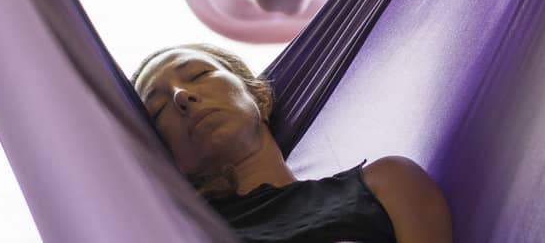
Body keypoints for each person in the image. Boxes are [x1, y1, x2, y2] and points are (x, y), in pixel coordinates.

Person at [133, 43, 451, 243]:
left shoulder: (384, 184)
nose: (181, 96)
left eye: (200, 74)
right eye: (159, 109)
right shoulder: (169, 233)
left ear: (258, 95)